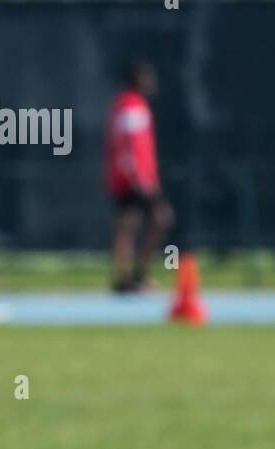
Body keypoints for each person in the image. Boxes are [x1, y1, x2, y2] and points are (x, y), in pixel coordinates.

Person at [104, 59, 174, 292]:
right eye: (146, 77)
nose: (151, 82)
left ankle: (128, 277)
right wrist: (139, 179)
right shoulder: (132, 106)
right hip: (134, 178)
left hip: (129, 176)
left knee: (128, 224)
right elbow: (129, 146)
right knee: (157, 219)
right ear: (137, 80)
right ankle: (133, 275)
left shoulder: (127, 105)